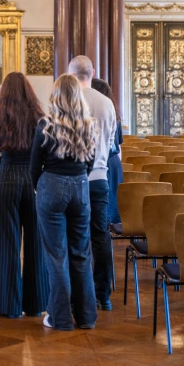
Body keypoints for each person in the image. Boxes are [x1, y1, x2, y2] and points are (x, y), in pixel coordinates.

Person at [31, 74, 97, 330]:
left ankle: (60, 318)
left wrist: (42, 188)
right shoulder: (88, 124)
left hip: (51, 186)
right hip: (80, 186)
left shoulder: (46, 124)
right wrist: (77, 179)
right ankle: (86, 317)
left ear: (56, 96)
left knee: (56, 256)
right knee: (81, 254)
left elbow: (34, 166)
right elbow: (90, 162)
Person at [0, 72, 49, 318]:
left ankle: (8, 305)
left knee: (5, 243)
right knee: (35, 243)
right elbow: (44, 154)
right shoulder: (40, 120)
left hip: (6, 178)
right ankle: (35, 303)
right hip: (34, 181)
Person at [69, 56, 116, 311]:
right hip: (99, 177)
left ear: (70, 74)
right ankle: (102, 295)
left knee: (74, 238)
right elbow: (111, 143)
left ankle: (77, 295)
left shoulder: (68, 100)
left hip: (73, 178)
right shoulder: (107, 103)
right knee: (100, 237)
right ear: (93, 72)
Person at [91, 78, 124, 236]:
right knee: (107, 208)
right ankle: (104, 239)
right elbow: (118, 146)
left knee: (100, 209)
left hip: (100, 162)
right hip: (113, 162)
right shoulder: (114, 115)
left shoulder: (92, 115)